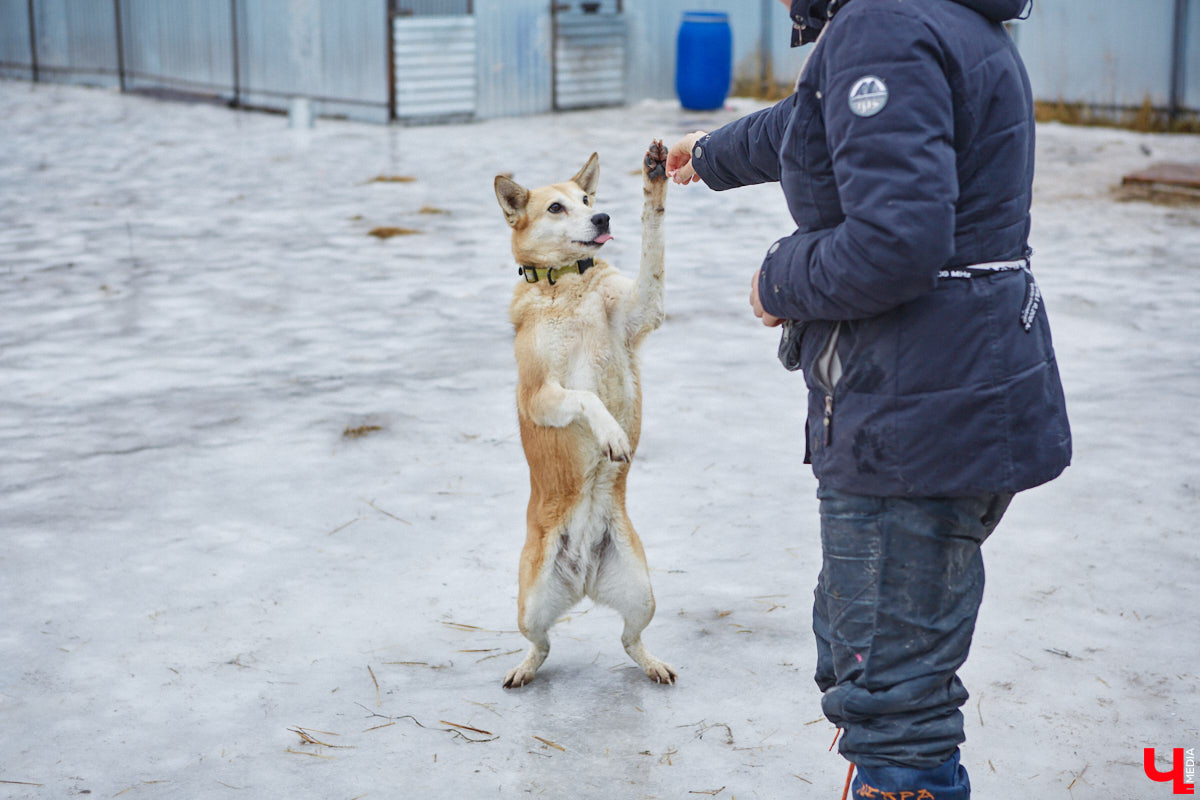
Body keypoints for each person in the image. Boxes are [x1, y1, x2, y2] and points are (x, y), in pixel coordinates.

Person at [666, 0, 1071, 797]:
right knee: (871, 656)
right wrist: (711, 155)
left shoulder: (882, 24)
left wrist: (779, 279)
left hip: (912, 413)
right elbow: (814, 120)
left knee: (894, 706)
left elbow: (898, 240)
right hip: (952, 396)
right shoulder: (926, 17)